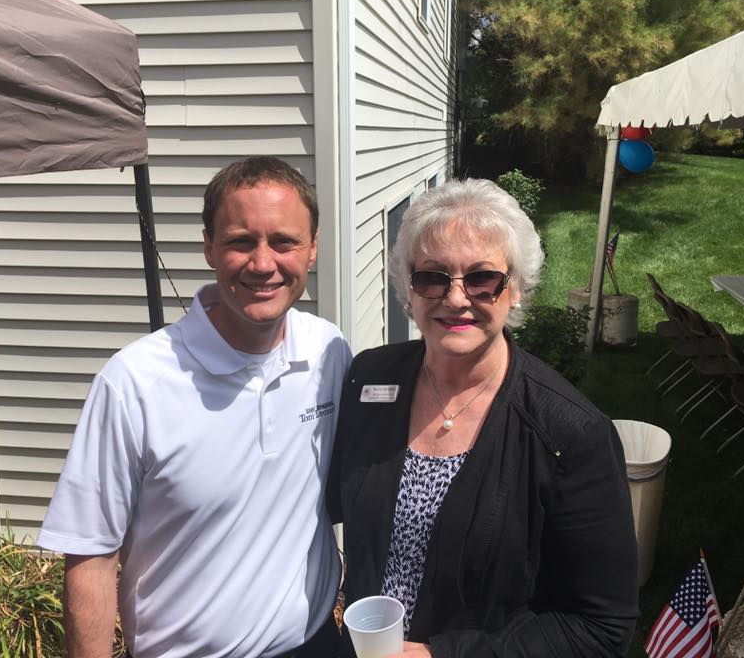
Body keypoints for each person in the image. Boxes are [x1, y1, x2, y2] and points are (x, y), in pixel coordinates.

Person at [37, 156, 352, 658]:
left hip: (315, 644)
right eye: (241, 241)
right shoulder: (135, 382)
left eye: (284, 242)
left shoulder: (328, 353)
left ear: (313, 249)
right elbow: (91, 554)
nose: (264, 263)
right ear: (209, 247)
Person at [328, 178, 638, 657]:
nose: (455, 299)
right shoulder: (370, 379)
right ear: (408, 290)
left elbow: (600, 626)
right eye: (432, 276)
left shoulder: (569, 433)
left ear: (515, 289)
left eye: (482, 279)